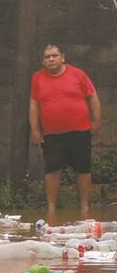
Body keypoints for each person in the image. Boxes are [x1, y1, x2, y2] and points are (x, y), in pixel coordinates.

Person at [29, 44, 102, 219]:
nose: (51, 59)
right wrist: (35, 129)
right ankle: (52, 209)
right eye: (47, 57)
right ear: (43, 61)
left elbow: (92, 96)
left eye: (54, 55)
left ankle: (85, 206)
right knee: (52, 170)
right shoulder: (37, 78)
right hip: (53, 134)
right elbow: (34, 104)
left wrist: (97, 120)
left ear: (63, 57)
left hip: (80, 130)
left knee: (83, 169)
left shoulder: (78, 74)